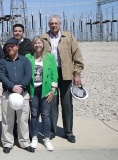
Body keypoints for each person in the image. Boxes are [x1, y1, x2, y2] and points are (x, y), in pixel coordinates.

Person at [41, 14, 84, 143]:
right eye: (51, 23)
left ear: (60, 24)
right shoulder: (44, 38)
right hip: (50, 75)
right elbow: (37, 53)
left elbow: (77, 55)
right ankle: (52, 130)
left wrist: (77, 74)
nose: (53, 25)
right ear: (48, 25)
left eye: (56, 23)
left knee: (67, 104)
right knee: (52, 103)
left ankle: (68, 132)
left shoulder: (68, 37)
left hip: (65, 73)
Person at [0, 38, 34, 154]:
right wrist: (12, 87)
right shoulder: (2, 61)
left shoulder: (24, 61)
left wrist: (21, 87)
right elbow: (2, 75)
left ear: (17, 47)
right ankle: (7, 143)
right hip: (8, 94)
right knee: (7, 120)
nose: (10, 48)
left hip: (23, 94)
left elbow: (28, 74)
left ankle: (24, 142)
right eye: (8, 46)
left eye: (12, 46)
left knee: (23, 120)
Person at [25, 36, 58, 151]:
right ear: (33, 45)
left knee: (45, 114)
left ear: (43, 44)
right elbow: (26, 75)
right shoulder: (28, 57)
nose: (37, 45)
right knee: (34, 114)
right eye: (35, 43)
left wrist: (52, 91)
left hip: (46, 90)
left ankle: (46, 138)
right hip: (33, 90)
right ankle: (34, 137)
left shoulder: (50, 57)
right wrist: (28, 92)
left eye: (39, 43)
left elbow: (54, 74)